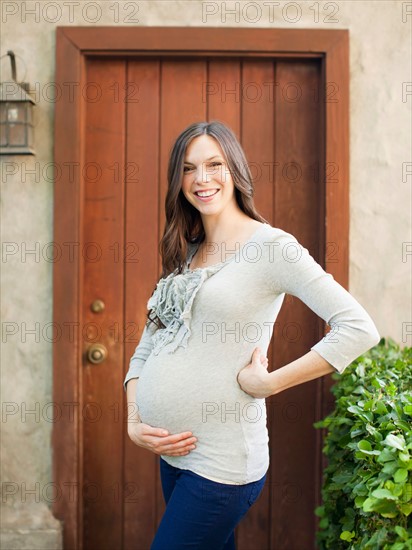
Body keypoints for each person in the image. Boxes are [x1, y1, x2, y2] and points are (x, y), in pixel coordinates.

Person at [123, 120, 380, 550]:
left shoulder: (273, 248)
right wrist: (134, 421)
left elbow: (358, 328)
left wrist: (269, 383)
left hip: (223, 462)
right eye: (188, 169)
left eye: (213, 164)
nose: (200, 179)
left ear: (235, 169)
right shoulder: (187, 250)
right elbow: (150, 343)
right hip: (173, 455)